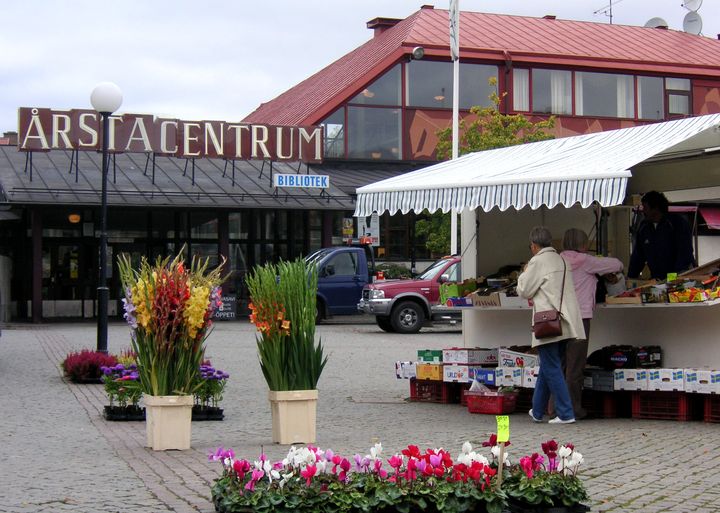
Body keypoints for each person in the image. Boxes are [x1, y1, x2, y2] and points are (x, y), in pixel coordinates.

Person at [517, 226, 585, 424]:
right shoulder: (562, 259)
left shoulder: (537, 261)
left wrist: (524, 272)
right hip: (565, 320)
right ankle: (537, 411)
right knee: (549, 366)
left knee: (552, 366)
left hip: (547, 320)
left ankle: (565, 413)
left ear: (534, 245)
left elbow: (524, 289)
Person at [560, 228, 624, 419]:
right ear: (583, 244)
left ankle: (555, 408)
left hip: (561, 316)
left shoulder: (559, 260)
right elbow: (617, 265)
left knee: (561, 365)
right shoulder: (586, 261)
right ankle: (573, 409)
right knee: (576, 366)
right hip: (580, 317)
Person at [628, 190, 695, 280]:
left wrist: (673, 279)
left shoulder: (676, 223)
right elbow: (638, 255)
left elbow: (684, 253)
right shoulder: (644, 227)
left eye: (645, 207)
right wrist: (631, 277)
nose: (643, 210)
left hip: (679, 277)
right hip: (657, 279)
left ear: (655, 208)